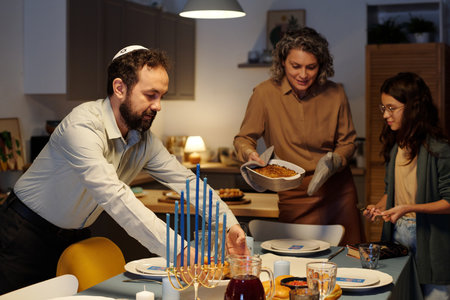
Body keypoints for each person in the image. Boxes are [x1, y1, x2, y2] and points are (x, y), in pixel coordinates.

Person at [0, 45, 248, 294]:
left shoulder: (143, 138)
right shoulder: (82, 126)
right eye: (151, 95)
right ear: (120, 88)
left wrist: (229, 225)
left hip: (73, 238)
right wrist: (179, 250)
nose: (158, 106)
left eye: (162, 96)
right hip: (23, 234)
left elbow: (188, 182)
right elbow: (114, 196)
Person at [234, 27, 364, 245]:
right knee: (296, 259)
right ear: (283, 62)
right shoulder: (264, 94)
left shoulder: (336, 93)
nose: (303, 75)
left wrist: (335, 160)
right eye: (296, 66)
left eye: (311, 67)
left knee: (346, 259)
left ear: (321, 66)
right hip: (293, 193)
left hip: (337, 191)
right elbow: (244, 138)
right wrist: (249, 153)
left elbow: (348, 142)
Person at [363, 72, 450, 299]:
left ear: (413, 108)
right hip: (398, 235)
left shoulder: (440, 149)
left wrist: (409, 208)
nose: (386, 115)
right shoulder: (396, 147)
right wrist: (378, 207)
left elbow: (449, 202)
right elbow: (390, 192)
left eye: (392, 108)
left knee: (435, 294)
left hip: (430, 239)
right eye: (383, 108)